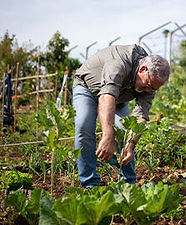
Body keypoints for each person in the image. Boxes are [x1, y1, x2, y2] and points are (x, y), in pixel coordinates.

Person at [73, 44, 170, 188]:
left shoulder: (150, 83)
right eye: (149, 85)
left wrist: (130, 146)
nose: (149, 90)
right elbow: (107, 96)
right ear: (142, 70)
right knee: (84, 124)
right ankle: (90, 183)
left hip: (119, 98)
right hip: (87, 88)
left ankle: (128, 185)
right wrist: (107, 136)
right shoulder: (118, 62)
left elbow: (140, 117)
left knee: (124, 132)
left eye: (153, 88)